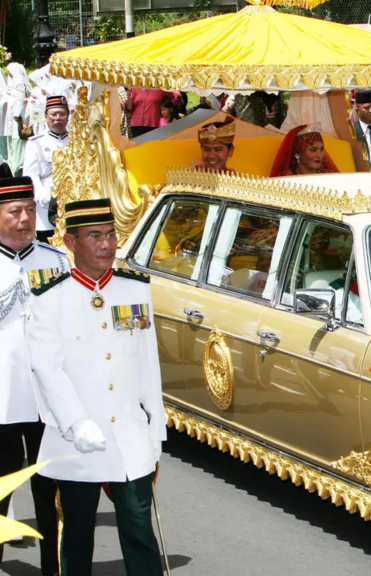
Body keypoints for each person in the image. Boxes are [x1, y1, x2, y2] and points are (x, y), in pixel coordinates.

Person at [28, 198, 164, 575]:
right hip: (76, 438)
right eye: (94, 237)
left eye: (110, 235)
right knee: (77, 531)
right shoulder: (50, 297)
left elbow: (146, 363)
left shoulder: (134, 290)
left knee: (139, 529)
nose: (106, 245)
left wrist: (156, 429)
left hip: (128, 433)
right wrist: (75, 421)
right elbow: (47, 367)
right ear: (71, 243)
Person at [0, 176, 65, 576]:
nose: (25, 220)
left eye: (29, 210)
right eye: (14, 212)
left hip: (46, 400)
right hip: (3, 399)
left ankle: (52, 569)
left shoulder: (55, 261)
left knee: (50, 490)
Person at [23, 96, 70, 243]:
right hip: (47, 207)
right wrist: (43, 197)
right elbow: (31, 175)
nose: (58, 118)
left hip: (72, 202)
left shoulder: (77, 139)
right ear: (46, 117)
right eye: (53, 114)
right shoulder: (35, 143)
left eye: (62, 114)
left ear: (68, 116)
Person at [270, 123, 340, 177]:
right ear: (297, 152)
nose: (320, 155)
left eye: (321, 149)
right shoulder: (288, 180)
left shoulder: (329, 176)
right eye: (313, 150)